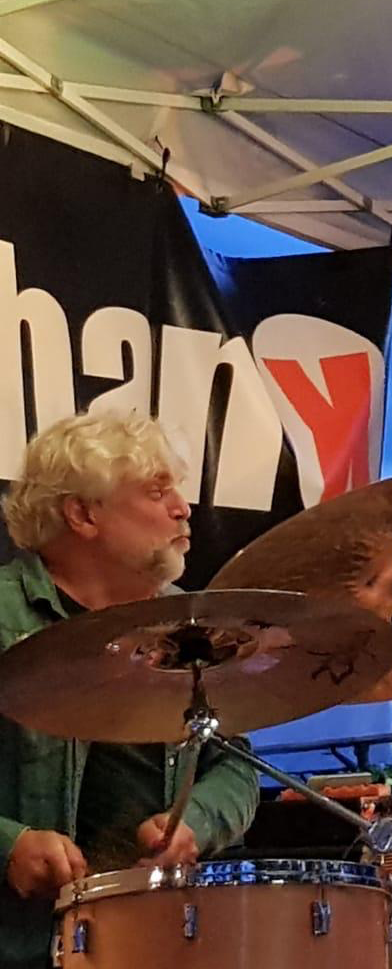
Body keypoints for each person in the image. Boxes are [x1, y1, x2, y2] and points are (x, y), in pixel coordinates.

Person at [0, 411, 259, 969]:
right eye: (157, 491)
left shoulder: (193, 627)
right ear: (82, 514)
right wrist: (8, 845)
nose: (183, 508)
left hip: (159, 936)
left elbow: (236, 767)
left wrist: (195, 822)